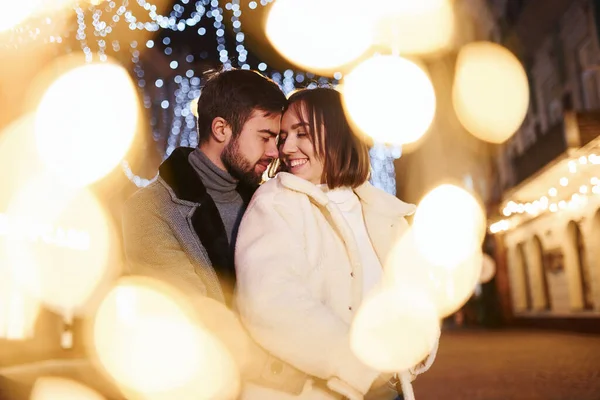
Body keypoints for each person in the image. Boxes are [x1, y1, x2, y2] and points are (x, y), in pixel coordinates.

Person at [122, 68, 309, 398]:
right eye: (265, 137)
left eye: (276, 140)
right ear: (221, 128)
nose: (275, 152)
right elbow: (197, 321)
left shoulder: (273, 200)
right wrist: (301, 375)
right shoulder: (150, 209)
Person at [235, 87, 428, 400]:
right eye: (284, 136)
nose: (287, 147)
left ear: (339, 134)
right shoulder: (276, 203)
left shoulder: (383, 211)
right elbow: (270, 301)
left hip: (389, 388)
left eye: (303, 133)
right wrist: (359, 362)